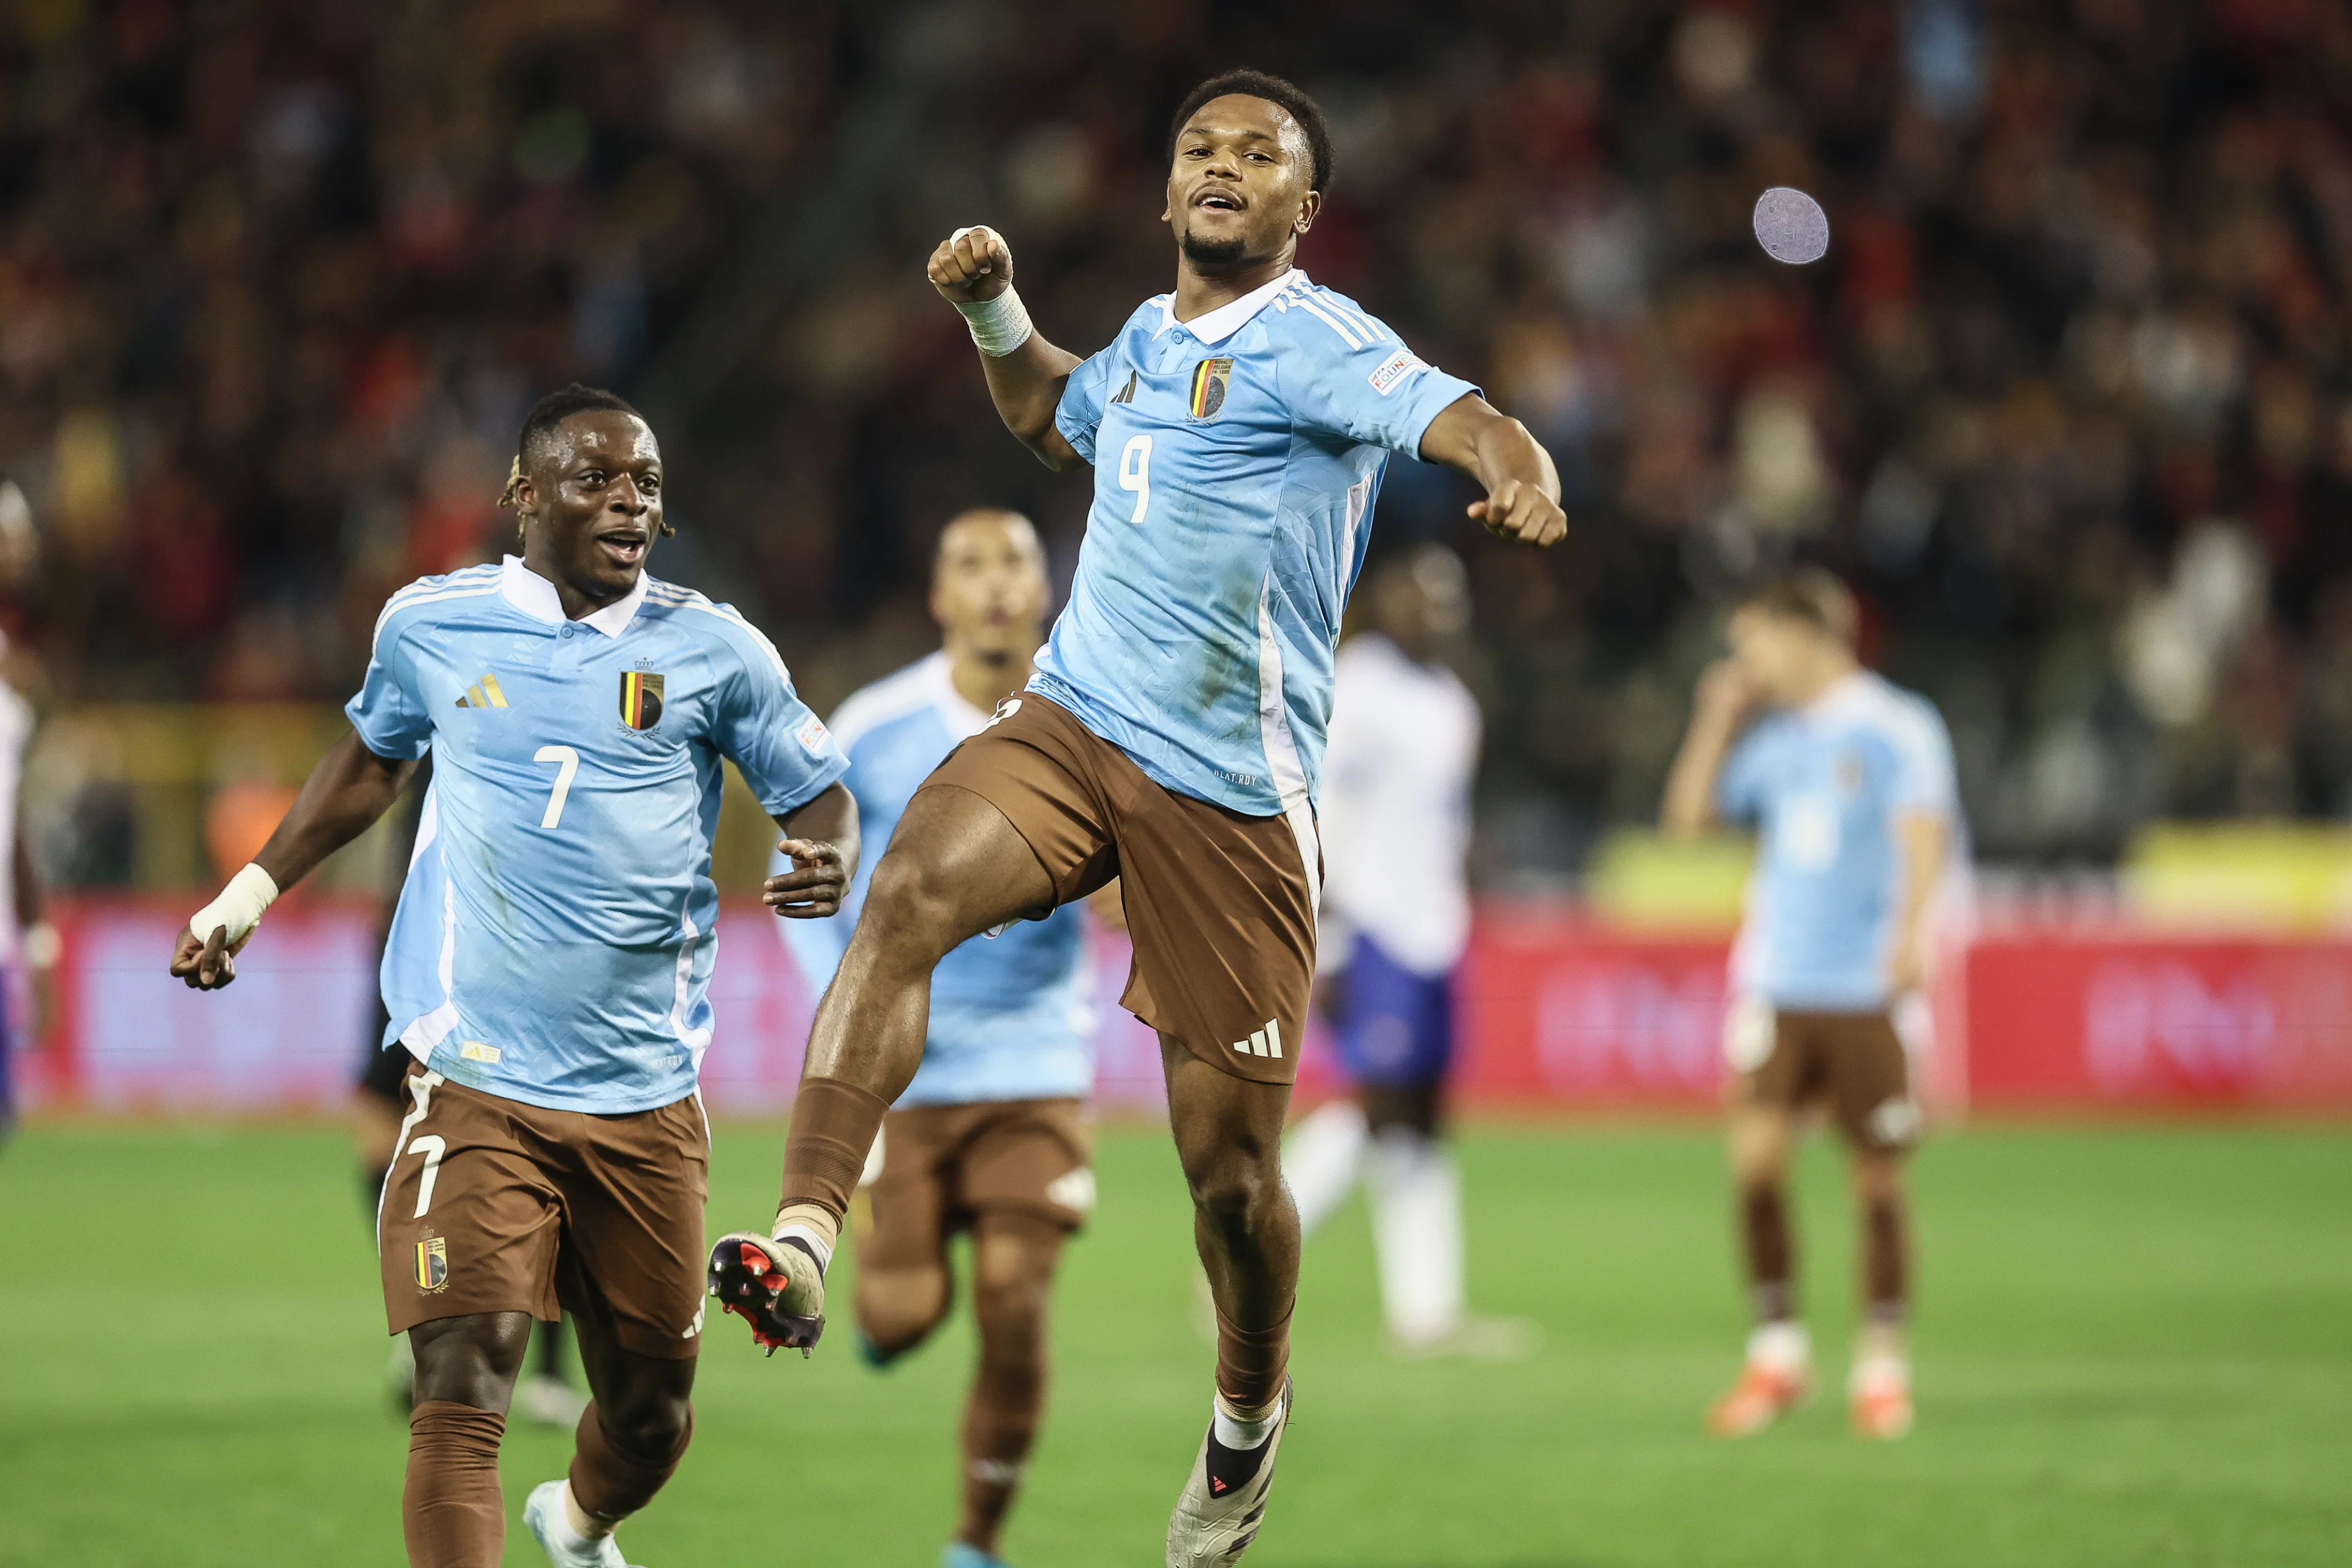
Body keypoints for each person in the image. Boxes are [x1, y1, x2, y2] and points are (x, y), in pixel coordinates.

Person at [706, 70, 1565, 1567]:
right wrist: (990, 311)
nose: (1221, 166)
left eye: (1259, 155)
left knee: (1231, 1177)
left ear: (1305, 208)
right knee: (907, 890)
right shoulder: (1147, 342)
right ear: (1169, 194)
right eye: (1197, 150)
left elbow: (1458, 414)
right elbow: (1053, 411)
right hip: (1075, 717)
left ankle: (1244, 1417)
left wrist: (1518, 466)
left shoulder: (1319, 338)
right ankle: (802, 1233)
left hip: (1231, 795)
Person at [169, 383, 859, 1568]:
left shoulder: (716, 647)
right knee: (463, 1376)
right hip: (473, 1073)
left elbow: (820, 793)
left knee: (651, 1418)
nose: (630, 502)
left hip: (644, 1094)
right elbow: (369, 762)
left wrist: (828, 856)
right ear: (524, 496)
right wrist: (249, 895)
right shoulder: (430, 626)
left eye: (645, 483)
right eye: (598, 479)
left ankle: (581, 1524)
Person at [777, 508, 1101, 1568]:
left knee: (1016, 1300)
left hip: (1036, 1062)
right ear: (939, 599)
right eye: (971, 565)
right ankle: (885, 1312)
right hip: (908, 1079)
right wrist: (853, 1044)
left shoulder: (1094, 717)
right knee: (906, 1314)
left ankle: (977, 1542)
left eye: (1015, 561)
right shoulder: (872, 729)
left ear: (1044, 589)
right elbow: (807, 890)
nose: (999, 584)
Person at [1660, 567, 1957, 1442]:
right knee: (1754, 1167)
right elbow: (1687, 825)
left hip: (1866, 984)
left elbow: (1924, 831)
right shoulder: (1776, 740)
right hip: (1776, 983)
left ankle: (1881, 1366)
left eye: (1751, 641)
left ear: (1803, 634)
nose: (1743, 661)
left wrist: (1910, 938)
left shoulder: (1900, 724)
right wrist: (1714, 721)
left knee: (1877, 1184)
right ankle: (1779, 1352)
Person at [1280, 543, 1535, 1360]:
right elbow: (1319, 805)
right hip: (1374, 924)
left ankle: (1427, 1312)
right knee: (1381, 1107)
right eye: (1426, 595)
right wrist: (1332, 938)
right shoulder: (1359, 687)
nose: (1442, 611)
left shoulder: (1454, 703)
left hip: (1433, 930)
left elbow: (1442, 820)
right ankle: (1242, 1252)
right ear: (1388, 604)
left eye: (1451, 597)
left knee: (1416, 1119)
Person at [353, 756, 587, 1427]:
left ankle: (463, 1327)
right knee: (527, 1135)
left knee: (485, 1136)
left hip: (452, 935)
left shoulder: (458, 681)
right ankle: (467, 1328)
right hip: (458, 933)